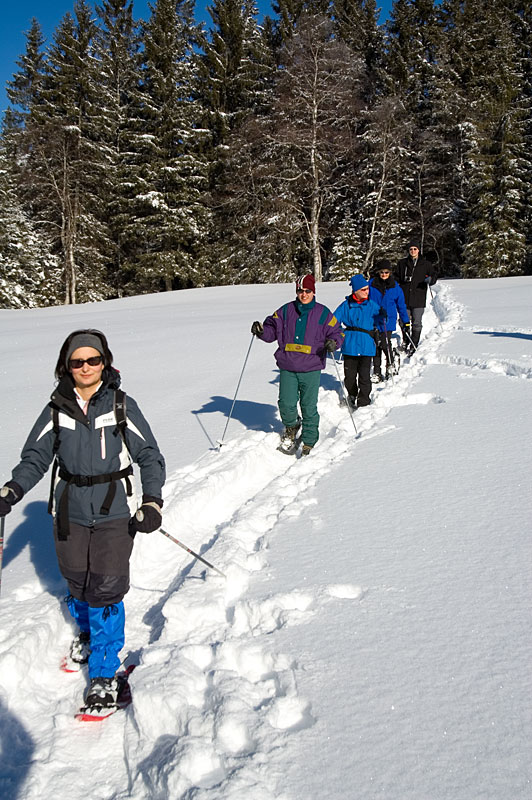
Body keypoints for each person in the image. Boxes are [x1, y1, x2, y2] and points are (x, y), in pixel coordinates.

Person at [0, 329, 165, 712]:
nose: (86, 367)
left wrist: (152, 501)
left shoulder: (121, 405)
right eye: (78, 361)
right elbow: (35, 459)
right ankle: (89, 634)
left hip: (113, 511)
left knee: (106, 587)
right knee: (77, 581)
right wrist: (12, 491)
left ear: (105, 362)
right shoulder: (57, 408)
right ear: (67, 367)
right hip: (69, 509)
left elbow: (150, 456)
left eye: (93, 360)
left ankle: (105, 672)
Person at [251, 274, 343, 455]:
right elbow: (271, 331)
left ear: (313, 292)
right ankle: (292, 426)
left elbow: (337, 332)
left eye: (307, 291)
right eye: (300, 291)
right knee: (286, 403)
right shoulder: (285, 311)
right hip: (288, 366)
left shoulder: (323, 313)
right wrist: (261, 331)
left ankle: (309, 439)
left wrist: (334, 343)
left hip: (311, 367)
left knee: (308, 406)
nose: (304, 294)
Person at [334, 274, 381, 408]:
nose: (367, 291)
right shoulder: (345, 306)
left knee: (365, 376)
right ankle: (352, 394)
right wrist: (339, 334)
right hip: (350, 346)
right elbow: (333, 321)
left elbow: (382, 321)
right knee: (349, 377)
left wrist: (383, 316)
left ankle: (364, 401)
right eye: (363, 289)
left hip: (367, 346)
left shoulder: (372, 305)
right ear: (355, 291)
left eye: (367, 289)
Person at [369, 259, 410, 381]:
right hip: (374, 319)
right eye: (382, 272)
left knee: (384, 342)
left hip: (388, 319)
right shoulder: (371, 285)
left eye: (386, 272)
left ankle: (390, 364)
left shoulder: (395, 287)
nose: (384, 275)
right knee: (375, 345)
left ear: (390, 273)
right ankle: (377, 371)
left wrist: (406, 321)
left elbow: (401, 306)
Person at [395, 239, 438, 353]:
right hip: (404, 297)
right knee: (403, 321)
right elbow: (395, 277)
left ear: (418, 250)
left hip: (419, 297)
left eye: (415, 249)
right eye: (411, 249)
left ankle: (414, 343)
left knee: (416, 322)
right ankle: (406, 341)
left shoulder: (426, 264)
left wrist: (430, 280)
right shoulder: (402, 263)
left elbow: (434, 275)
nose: (413, 251)